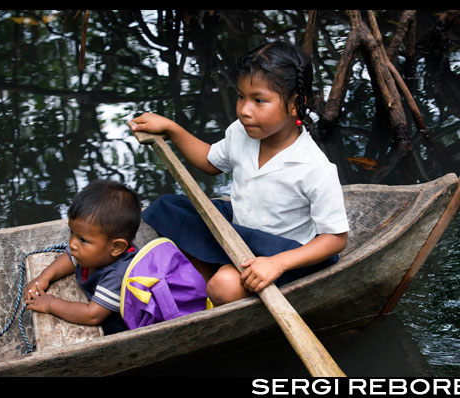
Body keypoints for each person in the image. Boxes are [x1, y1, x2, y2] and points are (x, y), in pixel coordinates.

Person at [131, 40, 349, 306]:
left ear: (295, 104)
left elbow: (335, 238)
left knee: (223, 286)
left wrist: (277, 263)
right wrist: (172, 130)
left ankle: (214, 279)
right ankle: (212, 274)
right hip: (239, 229)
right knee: (167, 207)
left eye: (259, 100)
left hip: (280, 251)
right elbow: (211, 162)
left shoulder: (313, 167)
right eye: (241, 97)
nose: (245, 110)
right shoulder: (241, 132)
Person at [25, 180, 141, 334]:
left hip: (117, 330)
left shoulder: (119, 275)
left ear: (116, 247)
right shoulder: (96, 253)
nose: (72, 243)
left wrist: (50, 304)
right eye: (72, 232)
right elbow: (70, 258)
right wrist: (45, 276)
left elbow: (92, 315)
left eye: (83, 240)